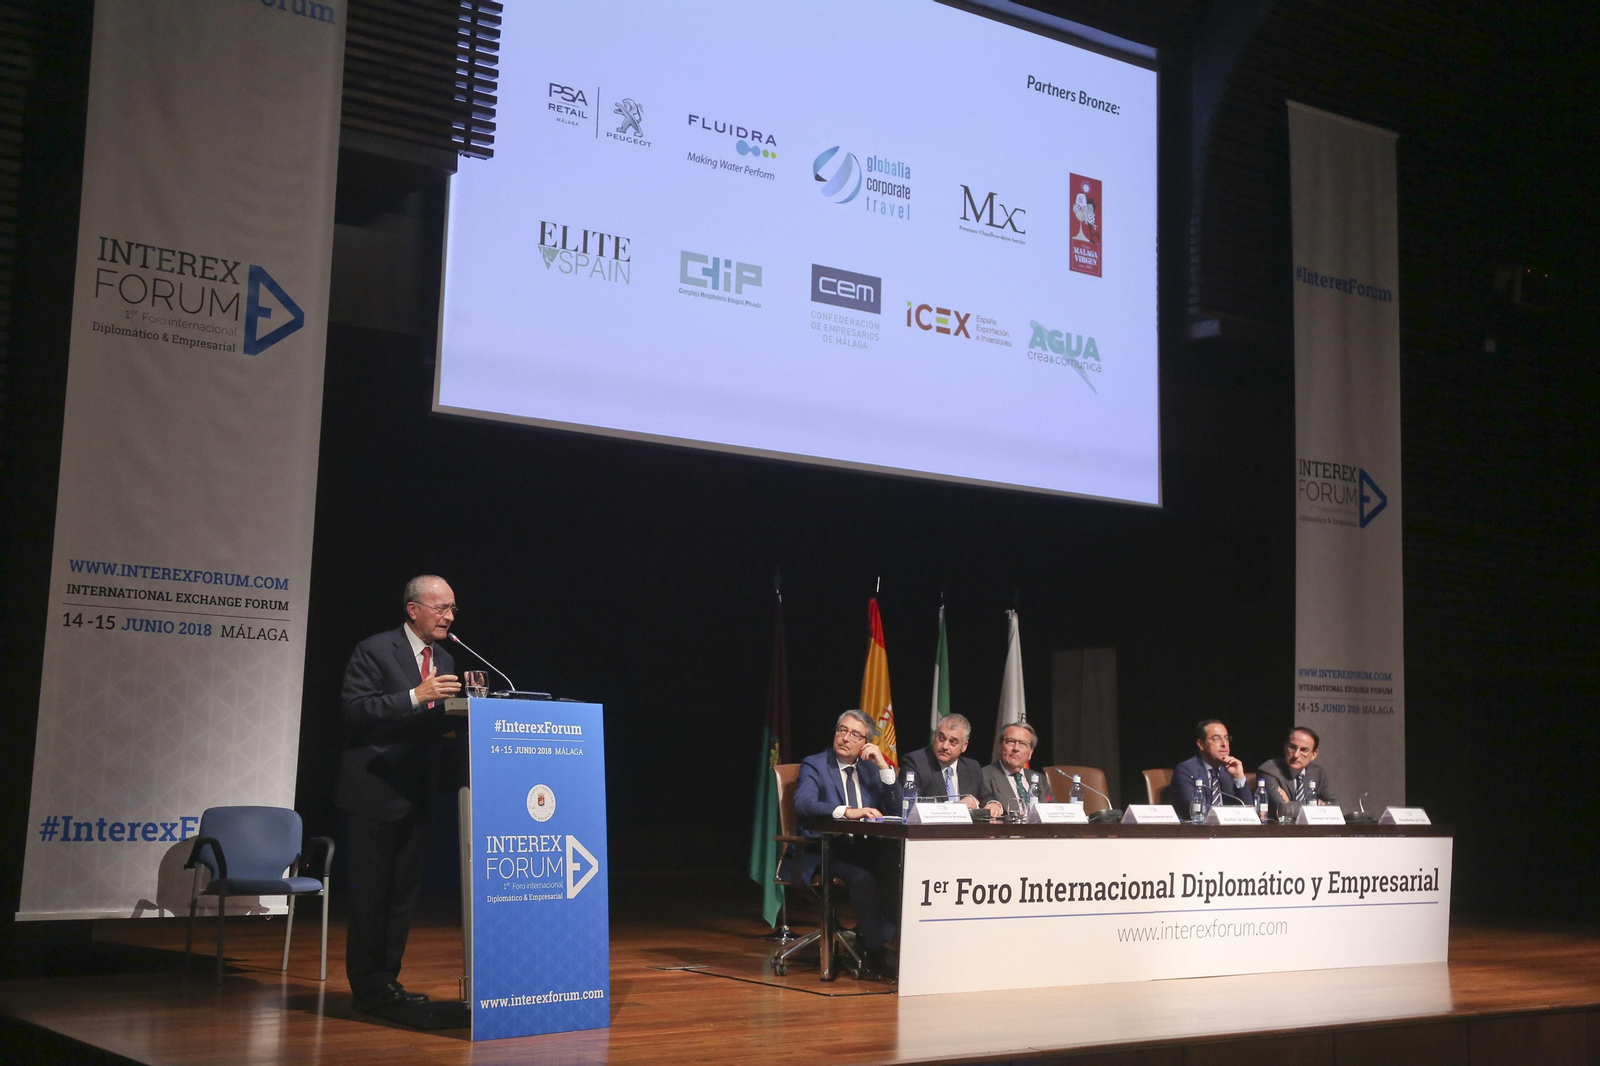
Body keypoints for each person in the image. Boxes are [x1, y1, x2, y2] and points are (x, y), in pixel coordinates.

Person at [337, 575, 462, 1014]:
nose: (449, 616)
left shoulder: (444, 656)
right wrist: (416, 695)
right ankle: (367, 987)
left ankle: (387, 980)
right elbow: (356, 711)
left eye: (452, 609)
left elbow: (430, 723)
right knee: (373, 895)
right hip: (375, 790)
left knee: (403, 895)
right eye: (440, 608)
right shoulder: (375, 649)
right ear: (413, 610)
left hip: (418, 792)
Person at [789, 710, 900, 979]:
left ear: (866, 743)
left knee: (899, 866)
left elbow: (897, 808)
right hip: (824, 850)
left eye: (855, 734)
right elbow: (803, 804)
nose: (845, 738)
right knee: (863, 877)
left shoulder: (870, 769)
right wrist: (845, 811)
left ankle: (873, 935)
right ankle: (874, 954)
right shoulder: (815, 764)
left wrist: (884, 767)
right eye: (842, 730)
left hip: (863, 848)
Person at [1171, 718, 1252, 816]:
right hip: (1198, 829)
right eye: (1216, 739)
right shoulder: (1186, 770)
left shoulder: (1229, 770)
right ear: (1201, 744)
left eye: (1226, 738)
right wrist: (1232, 814)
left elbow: (1249, 809)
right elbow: (1195, 809)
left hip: (1231, 829)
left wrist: (1239, 778)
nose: (1224, 744)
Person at [900, 714, 983, 809]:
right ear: (934, 736)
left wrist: (994, 804)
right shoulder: (915, 762)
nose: (945, 746)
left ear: (964, 746)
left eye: (953, 742)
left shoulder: (972, 767)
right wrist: (956, 807)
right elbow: (911, 806)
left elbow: (985, 796)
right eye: (941, 738)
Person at [1256, 726, 1337, 820]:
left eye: (1304, 750)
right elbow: (1283, 810)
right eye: (1293, 747)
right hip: (1279, 831)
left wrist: (1290, 804)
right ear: (1285, 747)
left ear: (1314, 754)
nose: (1296, 755)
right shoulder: (1269, 770)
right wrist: (1317, 803)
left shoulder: (1318, 773)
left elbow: (1335, 806)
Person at [978, 722, 1053, 819]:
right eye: (1010, 742)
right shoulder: (984, 776)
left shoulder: (1039, 778)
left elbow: (1052, 811)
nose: (1016, 748)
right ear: (999, 747)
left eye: (1023, 744)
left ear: (1030, 753)